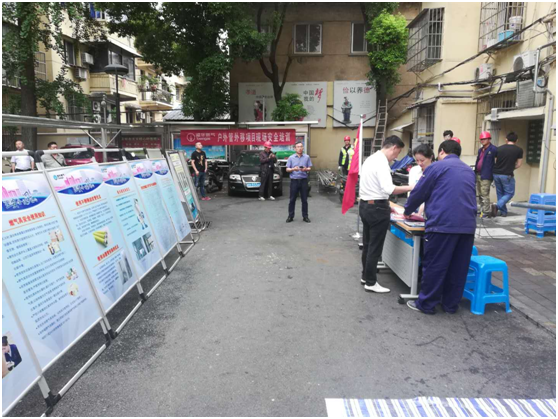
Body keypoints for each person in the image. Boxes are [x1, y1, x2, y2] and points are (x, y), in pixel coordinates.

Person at [404, 140, 476, 314]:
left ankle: (426, 304)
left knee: (435, 265)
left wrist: (407, 210)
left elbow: (419, 192)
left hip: (442, 225)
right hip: (467, 226)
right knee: (458, 267)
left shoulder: (436, 167)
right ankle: (450, 305)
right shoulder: (469, 170)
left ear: (441, 151)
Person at [359, 136, 413, 293]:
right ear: (394, 147)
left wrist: (386, 204)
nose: (395, 157)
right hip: (377, 209)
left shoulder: (370, 159)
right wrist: (411, 187)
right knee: (375, 247)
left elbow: (374, 187)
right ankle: (371, 282)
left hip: (366, 205)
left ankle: (365, 276)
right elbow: (389, 189)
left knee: (368, 244)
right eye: (397, 153)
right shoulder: (382, 163)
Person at [491, 132, 523, 217]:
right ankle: (497, 206)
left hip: (496, 173)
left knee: (500, 193)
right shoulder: (519, 150)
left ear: (506, 139)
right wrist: (511, 168)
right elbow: (519, 164)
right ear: (516, 140)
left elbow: (495, 161)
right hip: (507, 174)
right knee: (509, 193)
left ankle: (503, 212)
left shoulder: (499, 149)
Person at [286, 141, 312, 223]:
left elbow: (309, 168)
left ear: (303, 148)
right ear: (295, 148)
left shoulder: (307, 157)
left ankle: (305, 216)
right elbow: (287, 169)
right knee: (292, 199)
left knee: (304, 200)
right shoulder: (291, 158)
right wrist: (293, 169)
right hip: (294, 180)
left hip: (303, 180)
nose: (299, 148)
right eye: (298, 147)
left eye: (301, 146)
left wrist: (305, 169)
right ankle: (290, 216)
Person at [474, 131, 498, 218]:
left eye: (484, 139)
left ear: (489, 139)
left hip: (486, 175)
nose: (482, 141)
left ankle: (486, 211)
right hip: (478, 174)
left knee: (484, 194)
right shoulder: (480, 150)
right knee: (479, 193)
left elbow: (496, 162)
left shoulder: (494, 149)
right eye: (481, 139)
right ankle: (481, 210)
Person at [408, 144, 435, 216]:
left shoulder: (437, 172)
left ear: (431, 157)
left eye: (422, 160)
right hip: (415, 206)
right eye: (417, 160)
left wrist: (420, 212)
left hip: (431, 208)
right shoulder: (414, 170)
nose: (419, 163)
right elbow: (411, 191)